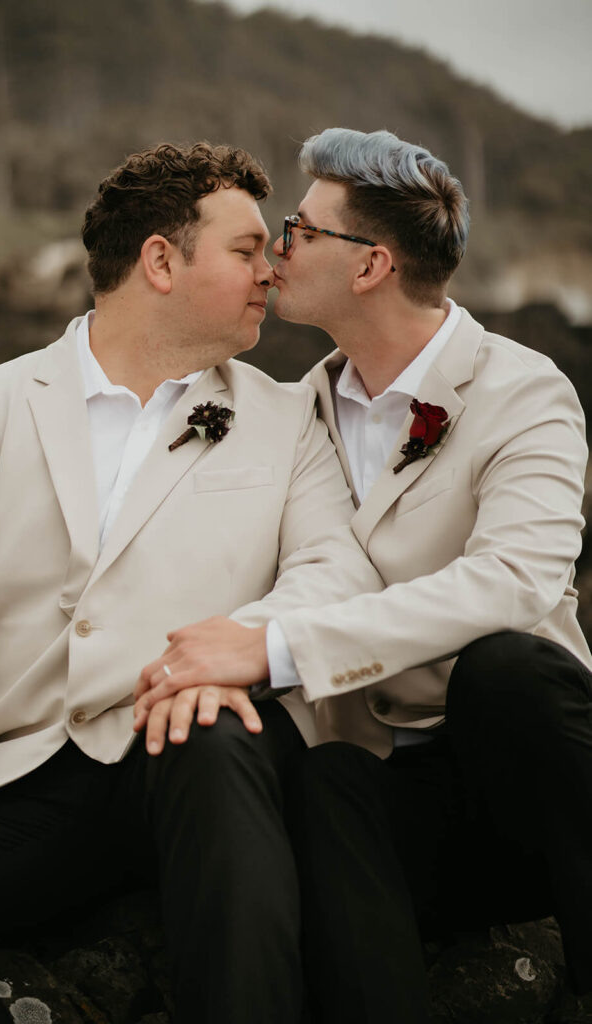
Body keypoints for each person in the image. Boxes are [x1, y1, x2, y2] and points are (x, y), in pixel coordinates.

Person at [0, 140, 379, 1023]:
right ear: (160, 260)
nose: (270, 273)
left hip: (198, 768)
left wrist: (238, 646)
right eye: (245, 250)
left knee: (210, 730)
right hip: (24, 769)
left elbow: (336, 571)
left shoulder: (286, 417)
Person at [134, 128, 592, 1024]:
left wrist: (274, 645)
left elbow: (511, 582)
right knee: (324, 772)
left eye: (297, 230)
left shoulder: (524, 391)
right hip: (387, 797)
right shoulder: (291, 410)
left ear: (370, 264)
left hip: (520, 787)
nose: (276, 248)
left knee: (512, 668)